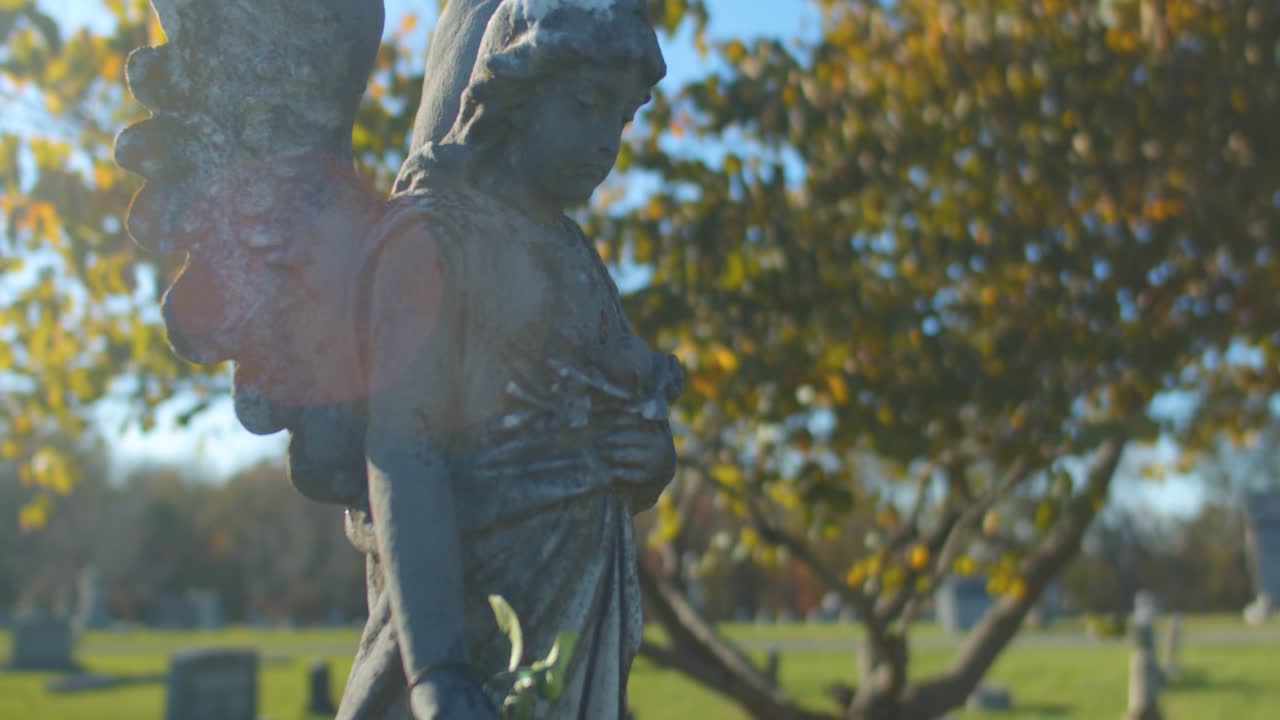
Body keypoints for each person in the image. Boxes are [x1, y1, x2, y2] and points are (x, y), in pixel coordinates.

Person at [336, 1, 680, 718]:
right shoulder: (433, 237)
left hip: (574, 631)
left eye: (619, 120)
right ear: (518, 88)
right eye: (586, 104)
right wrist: (436, 670)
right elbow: (404, 447)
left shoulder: (577, 257)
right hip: (463, 627)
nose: (603, 143)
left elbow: (604, 403)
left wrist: (648, 460)